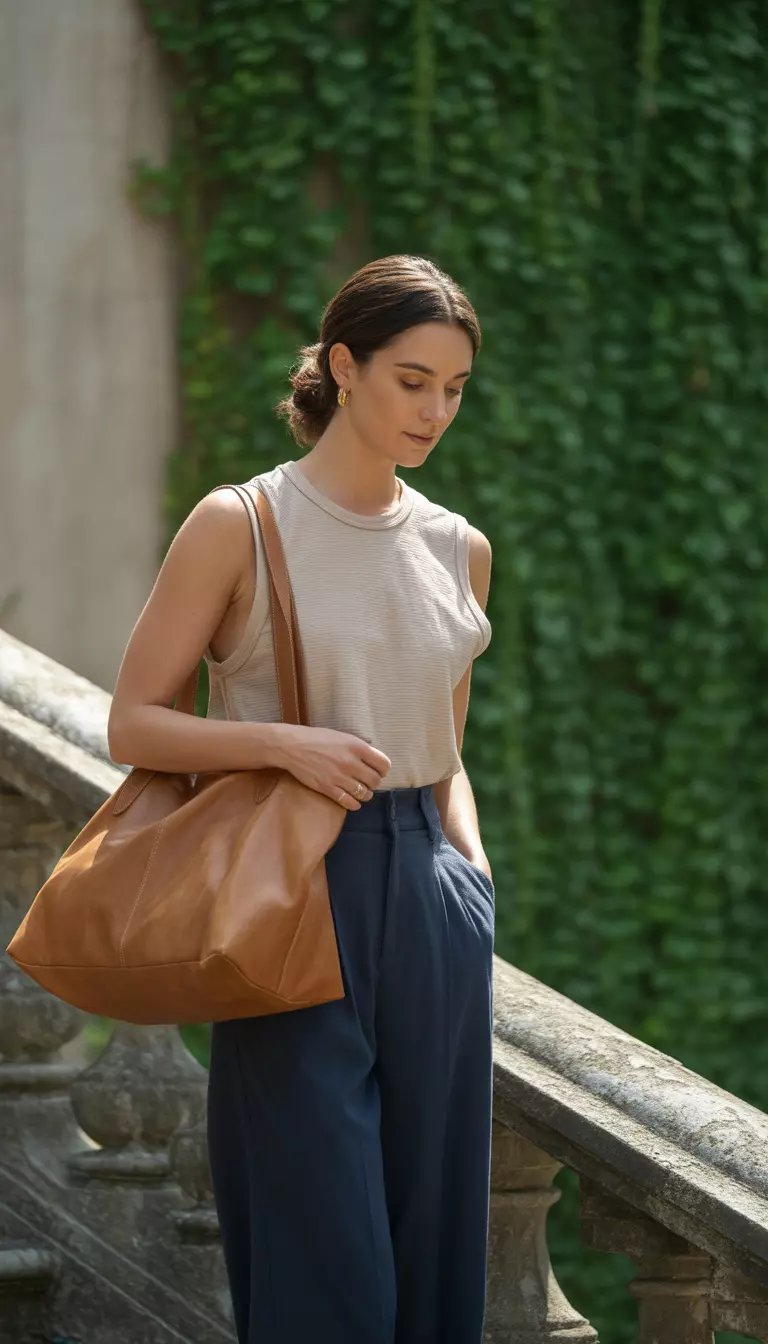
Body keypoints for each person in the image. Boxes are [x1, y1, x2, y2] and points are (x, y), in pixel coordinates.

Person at [107, 254, 495, 1344]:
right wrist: (282, 744)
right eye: (412, 380)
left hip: (430, 895)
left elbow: (446, 748)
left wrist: (470, 872)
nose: (434, 410)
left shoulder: (458, 548)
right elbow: (133, 721)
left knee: (437, 1245)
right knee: (318, 1249)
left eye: (454, 388)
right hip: (288, 889)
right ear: (344, 366)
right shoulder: (240, 522)